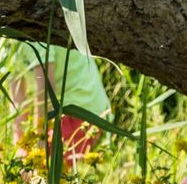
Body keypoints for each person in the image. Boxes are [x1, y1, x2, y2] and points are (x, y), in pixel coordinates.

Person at [6, 40, 111, 169]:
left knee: (47, 175)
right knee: (16, 168)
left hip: (81, 111)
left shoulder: (33, 33)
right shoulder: (5, 38)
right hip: (55, 112)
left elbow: (46, 92)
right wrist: (20, 146)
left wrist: (39, 150)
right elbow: (17, 97)